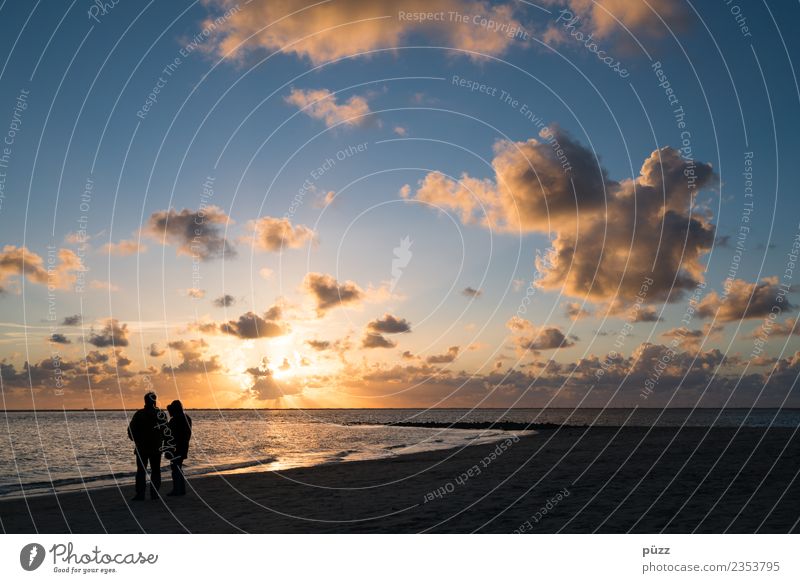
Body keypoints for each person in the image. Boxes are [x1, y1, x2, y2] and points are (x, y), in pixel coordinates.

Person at [127, 391, 164, 501]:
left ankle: (140, 494)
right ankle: (154, 494)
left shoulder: (139, 414)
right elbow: (166, 430)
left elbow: (130, 430)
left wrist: (136, 440)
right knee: (155, 471)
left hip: (142, 447)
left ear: (145, 401)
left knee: (141, 471)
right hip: (155, 447)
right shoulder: (160, 414)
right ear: (154, 401)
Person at [165, 400, 192, 496]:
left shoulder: (175, 420)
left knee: (175, 468)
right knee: (178, 467)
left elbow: (170, 435)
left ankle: (177, 489)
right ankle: (181, 489)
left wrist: (168, 448)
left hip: (176, 448)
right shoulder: (187, 418)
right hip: (184, 446)